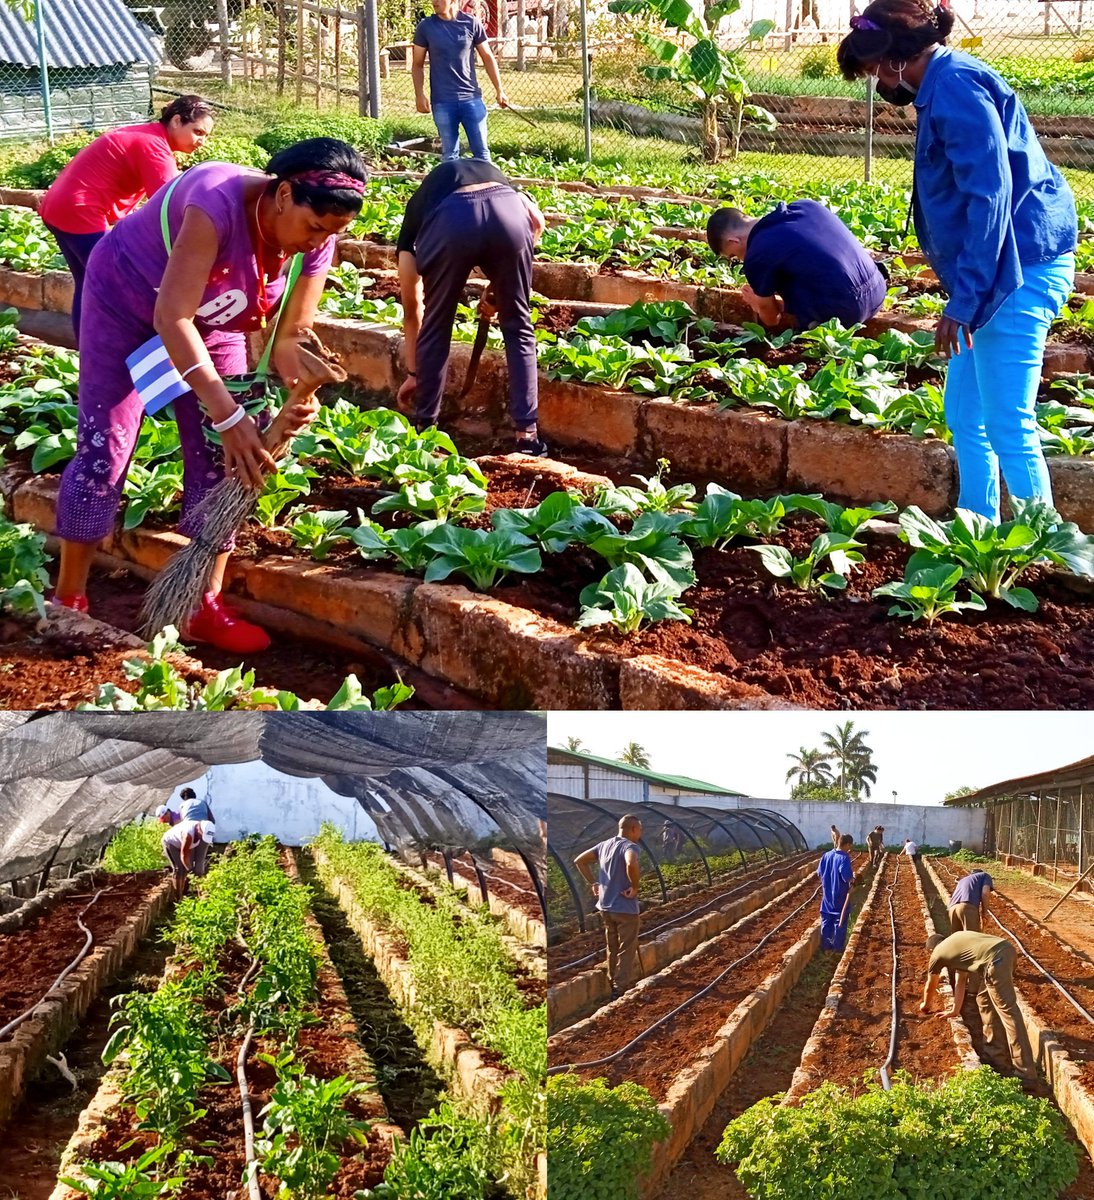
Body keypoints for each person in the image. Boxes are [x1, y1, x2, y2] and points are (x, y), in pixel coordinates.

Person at [50, 138, 367, 652]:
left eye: (333, 232)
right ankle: (70, 601)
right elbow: (170, 317)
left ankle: (200, 605)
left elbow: (288, 337)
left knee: (226, 463)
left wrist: (297, 387)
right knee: (105, 444)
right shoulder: (213, 202)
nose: (318, 241)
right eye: (314, 227)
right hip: (129, 305)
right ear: (283, 194)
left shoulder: (319, 235)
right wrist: (225, 411)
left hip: (213, 319)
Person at [837, 0, 1077, 522]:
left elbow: (989, 195)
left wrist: (966, 300)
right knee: (966, 413)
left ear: (898, 60)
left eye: (877, 69)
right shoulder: (942, 83)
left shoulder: (957, 90)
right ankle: (978, 527)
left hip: (1019, 267)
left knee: (1008, 420)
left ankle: (1053, 551)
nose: (878, 82)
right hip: (994, 265)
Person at [395, 159, 548, 454]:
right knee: (518, 324)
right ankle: (527, 437)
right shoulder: (513, 189)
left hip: (451, 220)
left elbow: (413, 308)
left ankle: (425, 432)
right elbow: (536, 224)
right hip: (509, 215)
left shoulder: (415, 214)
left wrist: (416, 374)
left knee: (437, 324)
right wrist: (498, 291)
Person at [38, 96, 215, 342]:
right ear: (176, 121)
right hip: (81, 212)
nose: (202, 141)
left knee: (88, 282)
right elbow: (172, 205)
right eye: (197, 131)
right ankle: (113, 356)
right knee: (117, 284)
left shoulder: (146, 135)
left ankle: (87, 352)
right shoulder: (154, 147)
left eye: (206, 135)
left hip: (59, 208)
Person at [706, 201, 887, 330]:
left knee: (781, 285)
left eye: (733, 256)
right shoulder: (807, 206)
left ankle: (815, 324)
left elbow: (771, 320)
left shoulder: (757, 253)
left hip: (847, 312)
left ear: (733, 241)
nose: (739, 259)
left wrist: (759, 304)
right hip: (878, 291)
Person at [920, 931, 1037, 1082]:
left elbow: (931, 985)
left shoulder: (937, 954)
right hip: (1006, 951)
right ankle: (994, 1055)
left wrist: (925, 1005)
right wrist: (955, 1010)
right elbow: (960, 981)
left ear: (932, 949)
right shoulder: (957, 943)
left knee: (1009, 1014)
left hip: (995, 961)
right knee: (983, 999)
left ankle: (1025, 1073)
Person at [412, 0, 508, 162]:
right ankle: (453, 187)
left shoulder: (471, 23)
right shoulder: (426, 27)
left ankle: (489, 186)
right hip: (442, 102)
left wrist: (500, 90)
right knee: (450, 156)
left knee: (482, 154)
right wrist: (419, 95)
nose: (434, 2)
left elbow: (487, 57)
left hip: (471, 100)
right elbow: (417, 64)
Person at [573, 814, 643, 1000]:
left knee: (612, 946)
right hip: (625, 907)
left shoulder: (604, 845)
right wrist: (635, 887)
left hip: (605, 907)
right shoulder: (630, 846)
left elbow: (579, 861)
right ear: (633, 829)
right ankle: (620, 988)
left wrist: (593, 882)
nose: (640, 834)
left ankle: (612, 981)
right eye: (640, 830)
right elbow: (631, 862)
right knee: (627, 947)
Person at [817, 833, 860, 952]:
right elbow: (846, 877)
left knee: (826, 919)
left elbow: (819, 873)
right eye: (850, 846)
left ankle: (826, 946)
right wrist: (854, 881)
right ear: (847, 844)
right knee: (839, 919)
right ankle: (837, 948)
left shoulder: (826, 855)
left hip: (827, 895)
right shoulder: (844, 857)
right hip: (840, 895)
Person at [162, 818, 216, 898]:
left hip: (181, 843)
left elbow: (188, 851)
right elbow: (183, 855)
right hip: (171, 843)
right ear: (199, 830)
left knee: (185, 869)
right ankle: (178, 897)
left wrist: (189, 869)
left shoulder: (199, 833)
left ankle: (185, 893)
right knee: (179, 869)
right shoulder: (189, 834)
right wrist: (190, 870)